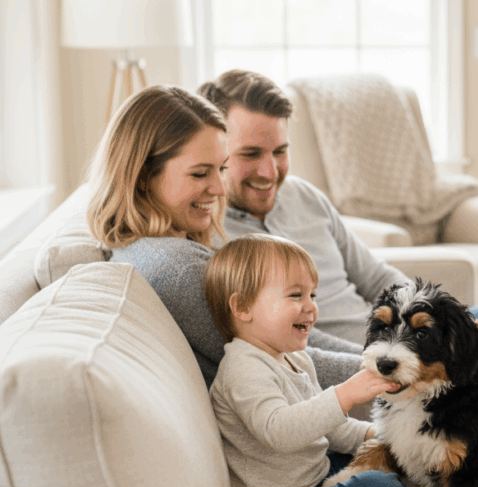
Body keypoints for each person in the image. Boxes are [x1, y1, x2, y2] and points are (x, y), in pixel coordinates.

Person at [196, 70, 478, 479]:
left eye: (280, 151)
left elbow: (377, 279)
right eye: (250, 154)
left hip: (409, 338)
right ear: (218, 154)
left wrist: (460, 326)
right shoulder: (216, 243)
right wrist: (399, 360)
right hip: (381, 373)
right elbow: (287, 349)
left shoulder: (303, 197)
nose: (270, 171)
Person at [86, 85, 369, 391]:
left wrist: (388, 357)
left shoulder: (158, 250)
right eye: (199, 174)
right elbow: (286, 363)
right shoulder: (180, 271)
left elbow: (290, 337)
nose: (220, 189)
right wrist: (403, 370)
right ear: (142, 176)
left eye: (221, 169)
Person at [202, 233, 433, 487]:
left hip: (312, 474)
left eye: (313, 295)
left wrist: (374, 435)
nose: (311, 307)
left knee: (382, 456)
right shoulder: (243, 369)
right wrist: (346, 394)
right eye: (296, 295)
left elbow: (326, 430)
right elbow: (280, 431)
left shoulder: (295, 358)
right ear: (242, 306)